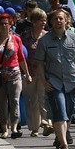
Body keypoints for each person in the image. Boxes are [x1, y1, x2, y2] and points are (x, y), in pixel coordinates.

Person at [34, 9, 75, 149]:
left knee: (68, 113)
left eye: (61, 19)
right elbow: (39, 64)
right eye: (55, 19)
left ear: (66, 21)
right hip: (54, 82)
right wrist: (44, 82)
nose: (58, 21)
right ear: (51, 21)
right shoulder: (44, 40)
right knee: (60, 111)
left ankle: (59, 136)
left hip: (71, 82)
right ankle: (64, 144)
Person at [0, 13, 31, 139]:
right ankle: (4, 128)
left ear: (11, 25)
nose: (5, 26)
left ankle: (14, 127)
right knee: (1, 103)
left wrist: (27, 74)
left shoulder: (16, 39)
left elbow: (21, 58)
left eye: (7, 23)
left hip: (14, 73)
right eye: (2, 24)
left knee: (14, 100)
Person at [21, 8, 51, 137]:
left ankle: (46, 123)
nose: (43, 23)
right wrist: (25, 72)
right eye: (40, 20)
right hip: (29, 72)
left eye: (44, 20)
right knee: (32, 100)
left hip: (44, 72)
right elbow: (21, 54)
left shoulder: (48, 36)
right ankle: (35, 128)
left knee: (43, 98)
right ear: (33, 21)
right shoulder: (25, 36)